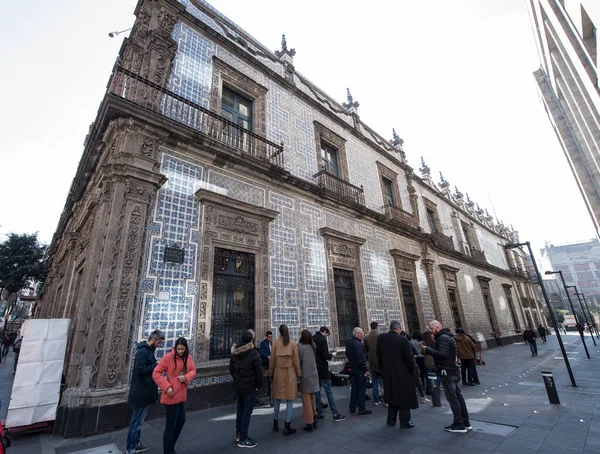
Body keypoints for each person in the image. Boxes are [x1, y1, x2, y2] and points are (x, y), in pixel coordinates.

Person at [422, 320, 471, 434]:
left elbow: (443, 355)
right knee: (458, 397)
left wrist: (427, 349)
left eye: (432, 328)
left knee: (453, 398)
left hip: (447, 372)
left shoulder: (442, 338)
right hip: (452, 370)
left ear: (438, 327)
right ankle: (465, 422)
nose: (430, 330)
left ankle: (459, 424)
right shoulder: (447, 337)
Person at [152, 337, 196, 454]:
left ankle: (171, 447)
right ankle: (168, 450)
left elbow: (192, 370)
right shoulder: (168, 358)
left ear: (186, 348)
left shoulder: (188, 357)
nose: (180, 351)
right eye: (178, 349)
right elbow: (156, 373)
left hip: (181, 395)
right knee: (170, 425)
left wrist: (186, 377)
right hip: (171, 395)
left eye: (182, 349)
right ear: (175, 348)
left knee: (181, 421)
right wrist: (166, 387)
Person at [125, 329, 164, 454]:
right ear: (153, 340)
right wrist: (155, 366)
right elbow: (140, 370)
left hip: (144, 391)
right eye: (158, 343)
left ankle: (136, 443)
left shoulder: (147, 351)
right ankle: (130, 448)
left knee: (139, 420)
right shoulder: (142, 352)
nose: (159, 345)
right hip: (140, 392)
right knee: (136, 421)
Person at [377, 321, 419, 428]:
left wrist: (382, 369)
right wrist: (413, 370)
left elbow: (379, 355)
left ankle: (391, 420)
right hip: (402, 373)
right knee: (404, 398)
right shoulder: (403, 340)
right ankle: (404, 422)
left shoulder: (381, 338)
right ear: (398, 329)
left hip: (388, 373)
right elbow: (409, 358)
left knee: (391, 397)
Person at [230, 331, 263, 448]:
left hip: (239, 387)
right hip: (249, 387)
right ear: (251, 340)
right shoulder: (253, 354)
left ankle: (238, 434)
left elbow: (231, 370)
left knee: (240, 410)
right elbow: (259, 372)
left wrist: (237, 380)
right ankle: (243, 439)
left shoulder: (234, 353)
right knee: (246, 413)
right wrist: (258, 385)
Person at [268, 324, 301, 436]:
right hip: (290, 374)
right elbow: (296, 361)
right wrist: (299, 374)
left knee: (277, 400)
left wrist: (270, 373)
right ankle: (287, 426)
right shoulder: (293, 344)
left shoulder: (275, 343)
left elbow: (271, 360)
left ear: (279, 332)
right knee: (289, 401)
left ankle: (275, 424)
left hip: (278, 374)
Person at [313, 327, 345, 422]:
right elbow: (325, 356)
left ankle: (320, 414)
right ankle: (335, 414)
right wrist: (331, 355)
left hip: (314, 369)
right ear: (325, 332)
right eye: (327, 335)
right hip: (322, 369)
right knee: (329, 392)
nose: (327, 336)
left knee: (317, 393)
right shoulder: (322, 340)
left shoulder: (312, 338)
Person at [345, 327, 371, 415]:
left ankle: (352, 407)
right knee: (361, 390)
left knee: (354, 388)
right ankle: (362, 409)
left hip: (353, 369)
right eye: (361, 333)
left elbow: (347, 353)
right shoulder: (358, 344)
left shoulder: (349, 342)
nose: (363, 334)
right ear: (357, 334)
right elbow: (360, 359)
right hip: (360, 370)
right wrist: (366, 370)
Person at [298, 330, 319, 432]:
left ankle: (309, 423)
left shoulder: (299, 347)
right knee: (312, 398)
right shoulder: (313, 346)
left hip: (305, 376)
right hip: (314, 375)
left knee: (306, 401)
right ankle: (315, 417)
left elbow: (298, 362)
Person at [364, 322, 382, 406]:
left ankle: (376, 400)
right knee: (384, 381)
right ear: (377, 327)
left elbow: (365, 350)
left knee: (374, 382)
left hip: (372, 362)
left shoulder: (366, 337)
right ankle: (386, 399)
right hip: (381, 362)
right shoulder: (381, 336)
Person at [422, 330, 438, 394]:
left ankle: (430, 389)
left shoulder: (424, 343)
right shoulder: (434, 342)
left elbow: (423, 353)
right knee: (436, 375)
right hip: (435, 360)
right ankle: (436, 388)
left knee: (428, 376)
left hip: (428, 361)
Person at [260, 331, 273, 405]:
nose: (270, 338)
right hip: (266, 362)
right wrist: (267, 356)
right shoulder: (263, 343)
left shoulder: (272, 343)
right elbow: (262, 352)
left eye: (271, 337)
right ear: (266, 336)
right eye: (269, 337)